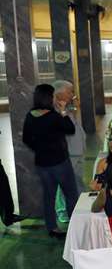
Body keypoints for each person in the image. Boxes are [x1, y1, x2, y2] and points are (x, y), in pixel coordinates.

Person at [22, 84, 79, 237]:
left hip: (42, 164)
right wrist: (63, 111)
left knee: (49, 196)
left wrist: (40, 149)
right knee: (70, 194)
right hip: (60, 162)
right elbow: (70, 129)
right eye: (53, 96)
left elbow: (26, 139)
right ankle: (75, 227)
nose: (55, 98)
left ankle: (52, 228)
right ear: (48, 98)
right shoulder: (53, 116)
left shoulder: (30, 115)